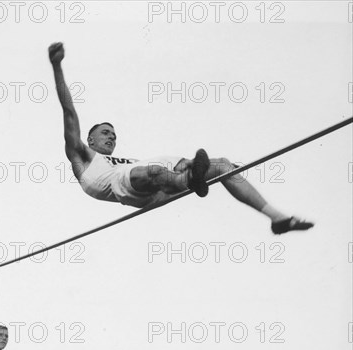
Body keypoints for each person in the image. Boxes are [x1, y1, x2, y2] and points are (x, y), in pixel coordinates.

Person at [48, 42, 313, 235]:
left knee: (223, 165)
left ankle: (276, 218)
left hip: (157, 186)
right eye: (105, 133)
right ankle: (190, 179)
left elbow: (154, 170)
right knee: (149, 170)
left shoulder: (126, 160)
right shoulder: (82, 155)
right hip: (133, 185)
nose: (112, 137)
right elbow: (69, 112)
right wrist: (57, 65)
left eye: (114, 135)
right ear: (90, 140)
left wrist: (189, 163)